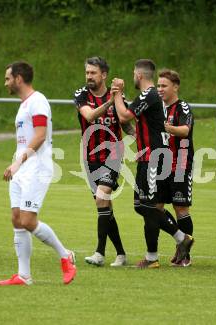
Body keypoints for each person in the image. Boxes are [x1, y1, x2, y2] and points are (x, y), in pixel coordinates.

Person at [0, 61, 76, 286]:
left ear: (18, 78)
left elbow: (40, 136)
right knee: (16, 219)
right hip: (22, 167)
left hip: (36, 168)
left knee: (28, 220)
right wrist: (15, 163)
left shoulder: (38, 101)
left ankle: (65, 255)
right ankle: (24, 276)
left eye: (8, 78)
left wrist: (19, 162)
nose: (6, 83)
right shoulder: (24, 105)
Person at [111, 59, 194, 268]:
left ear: (138, 75)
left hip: (155, 158)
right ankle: (179, 238)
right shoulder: (149, 97)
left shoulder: (148, 94)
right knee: (141, 206)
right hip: (146, 158)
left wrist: (116, 94)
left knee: (154, 206)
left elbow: (123, 115)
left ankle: (153, 256)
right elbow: (132, 123)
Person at [73, 57, 135, 267]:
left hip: (113, 155)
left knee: (101, 198)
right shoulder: (81, 95)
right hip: (90, 157)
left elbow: (124, 122)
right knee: (104, 205)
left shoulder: (118, 96)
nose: (89, 76)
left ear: (104, 75)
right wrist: (111, 100)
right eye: (87, 72)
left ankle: (99, 253)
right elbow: (89, 116)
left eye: (93, 73)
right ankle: (121, 254)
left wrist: (139, 136)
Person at [157, 69, 195, 267]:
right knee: (155, 208)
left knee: (180, 208)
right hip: (161, 165)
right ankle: (181, 240)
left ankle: (185, 254)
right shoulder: (157, 108)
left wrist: (167, 128)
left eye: (164, 86)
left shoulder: (183, 108)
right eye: (158, 85)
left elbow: (185, 130)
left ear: (175, 87)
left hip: (180, 164)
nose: (160, 89)